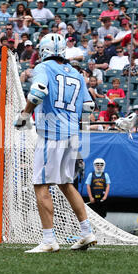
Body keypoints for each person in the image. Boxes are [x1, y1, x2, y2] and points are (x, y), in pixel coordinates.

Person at [14, 33, 98, 252]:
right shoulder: (78, 74)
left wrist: (24, 115)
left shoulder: (43, 68)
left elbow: (38, 92)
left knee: (41, 184)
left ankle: (49, 239)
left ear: (43, 50)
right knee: (65, 184)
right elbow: (89, 107)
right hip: (72, 134)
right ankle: (87, 231)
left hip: (51, 133)